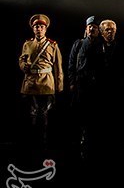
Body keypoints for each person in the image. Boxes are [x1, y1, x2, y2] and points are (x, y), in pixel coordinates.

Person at [77, 18, 124, 156]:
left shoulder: (121, 47)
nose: (110, 32)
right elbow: (86, 67)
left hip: (115, 89)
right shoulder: (93, 46)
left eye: (113, 29)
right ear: (101, 32)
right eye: (107, 30)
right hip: (97, 89)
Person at [18, 13, 64, 151]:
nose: (39, 29)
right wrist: (23, 66)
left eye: (41, 27)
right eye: (36, 27)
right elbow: (22, 59)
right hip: (31, 83)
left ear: (45, 29)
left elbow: (58, 66)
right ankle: (31, 142)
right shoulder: (27, 44)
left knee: (44, 115)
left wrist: (59, 85)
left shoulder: (53, 45)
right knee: (30, 114)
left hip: (46, 83)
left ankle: (43, 142)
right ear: (33, 29)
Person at [67, 15, 100, 153]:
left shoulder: (101, 45)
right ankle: (78, 140)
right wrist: (72, 82)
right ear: (86, 29)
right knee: (79, 114)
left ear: (98, 30)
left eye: (95, 27)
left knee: (94, 115)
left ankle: (91, 141)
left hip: (96, 86)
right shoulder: (79, 43)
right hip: (80, 85)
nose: (92, 29)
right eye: (90, 26)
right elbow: (71, 63)